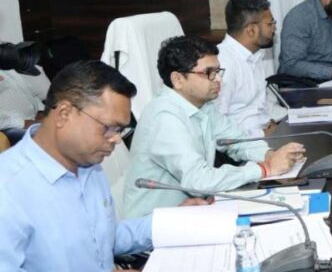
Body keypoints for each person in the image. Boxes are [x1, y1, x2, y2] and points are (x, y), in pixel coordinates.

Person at [0, 61, 208, 272]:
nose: (116, 140)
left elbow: (104, 238)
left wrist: (169, 221)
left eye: (120, 129)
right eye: (109, 128)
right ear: (64, 113)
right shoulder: (8, 189)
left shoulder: (88, 165)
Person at [122, 36, 304, 218]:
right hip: (152, 227)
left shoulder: (203, 106)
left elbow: (238, 141)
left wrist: (269, 155)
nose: (218, 79)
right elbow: (199, 180)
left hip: (192, 212)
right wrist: (265, 168)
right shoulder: (164, 118)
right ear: (178, 79)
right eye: (208, 72)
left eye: (218, 71)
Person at [217, 0, 277, 136]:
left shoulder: (254, 54)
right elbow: (218, 127)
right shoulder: (223, 64)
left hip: (265, 132)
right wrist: (263, 134)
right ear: (251, 30)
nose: (274, 29)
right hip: (246, 143)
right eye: (270, 24)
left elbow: (258, 108)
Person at [0, 41, 50, 144]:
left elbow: (31, 92)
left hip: (32, 120)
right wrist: (24, 123)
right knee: (49, 136)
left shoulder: (7, 65)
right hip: (10, 128)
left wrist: (40, 111)